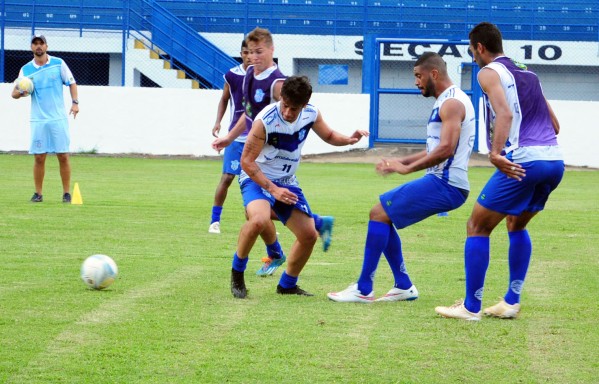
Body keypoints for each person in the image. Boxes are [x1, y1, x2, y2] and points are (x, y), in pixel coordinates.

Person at [435, 22, 564, 321]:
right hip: (554, 162)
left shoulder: (488, 72)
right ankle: (510, 301)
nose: (472, 57)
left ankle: (470, 307)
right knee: (516, 224)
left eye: (471, 51)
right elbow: (555, 126)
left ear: (480, 47)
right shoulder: (529, 73)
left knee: (476, 226)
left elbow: (504, 113)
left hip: (524, 161)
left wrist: (494, 153)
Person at [327, 52, 476, 303]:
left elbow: (446, 149)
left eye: (418, 76)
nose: (416, 82)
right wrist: (400, 162)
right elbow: (434, 149)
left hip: (446, 183)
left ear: (434, 74)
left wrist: (406, 169)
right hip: (446, 182)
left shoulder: (451, 103)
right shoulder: (449, 100)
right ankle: (403, 285)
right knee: (383, 214)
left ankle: (364, 289)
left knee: (378, 212)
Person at [230, 75, 368, 298]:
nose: (287, 113)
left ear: (304, 105)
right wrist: (272, 190)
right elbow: (247, 161)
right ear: (281, 98)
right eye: (284, 105)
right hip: (257, 178)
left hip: (287, 183)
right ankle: (237, 273)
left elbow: (330, 135)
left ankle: (287, 285)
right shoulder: (265, 120)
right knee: (259, 219)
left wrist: (349, 140)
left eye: (293, 109)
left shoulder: (311, 114)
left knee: (309, 235)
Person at [213, 28, 334, 276]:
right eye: (248, 52)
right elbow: (249, 117)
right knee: (258, 214)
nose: (252, 56)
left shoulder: (278, 84)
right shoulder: (247, 75)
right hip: (252, 149)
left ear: (271, 51)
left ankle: (280, 253)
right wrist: (229, 137)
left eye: (258, 51)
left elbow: (289, 108)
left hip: (272, 159)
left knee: (259, 213)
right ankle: (286, 245)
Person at [12, 34, 79, 203]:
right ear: (31, 48)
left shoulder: (58, 63)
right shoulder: (26, 70)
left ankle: (66, 193)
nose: (38, 46)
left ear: (46, 46)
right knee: (39, 157)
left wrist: (75, 102)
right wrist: (21, 92)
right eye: (35, 44)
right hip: (39, 120)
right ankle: (38, 194)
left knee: (63, 155)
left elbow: (71, 82)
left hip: (58, 118)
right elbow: (14, 93)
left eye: (41, 43)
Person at [208, 39, 252, 234]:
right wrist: (218, 122)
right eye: (245, 52)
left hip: (257, 138)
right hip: (236, 137)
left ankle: (259, 223)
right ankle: (214, 221)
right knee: (227, 178)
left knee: (258, 182)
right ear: (241, 54)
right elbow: (224, 99)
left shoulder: (265, 77)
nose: (249, 56)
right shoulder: (232, 76)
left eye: (252, 52)